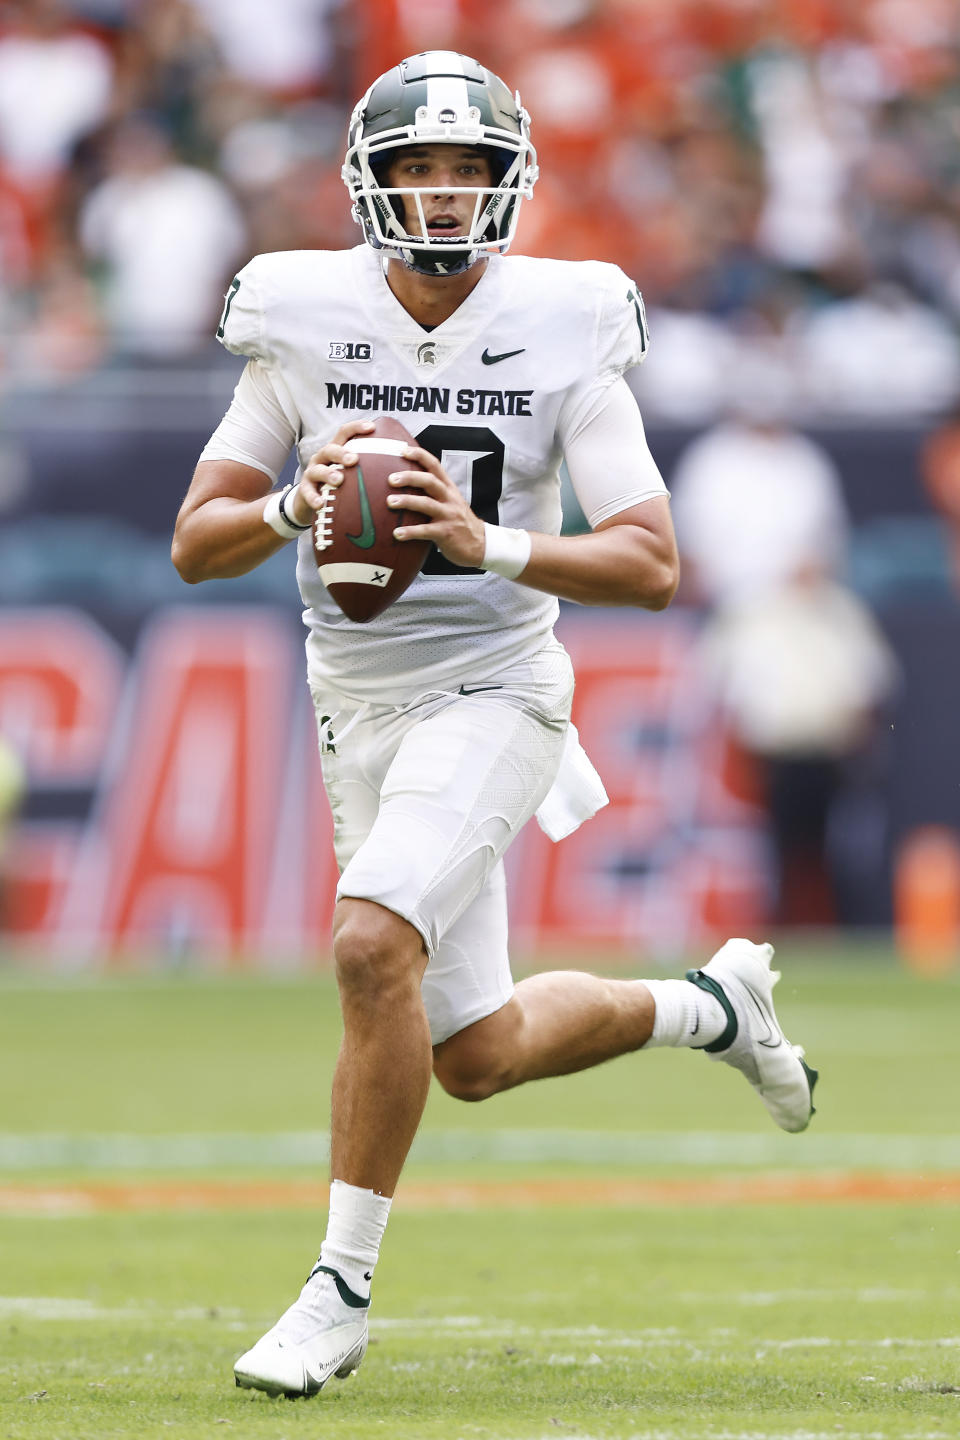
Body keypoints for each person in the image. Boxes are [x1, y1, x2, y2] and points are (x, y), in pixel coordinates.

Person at [171, 51, 817, 1400]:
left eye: (472, 168)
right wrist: (296, 506)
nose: (450, 193)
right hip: (358, 704)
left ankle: (336, 1292)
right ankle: (710, 1006)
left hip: (500, 691)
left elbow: (649, 563)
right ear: (373, 181)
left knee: (366, 940)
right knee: (474, 1054)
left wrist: (493, 542)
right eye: (423, 167)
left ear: (510, 181)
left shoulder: (567, 321)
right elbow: (196, 541)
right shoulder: (301, 315)